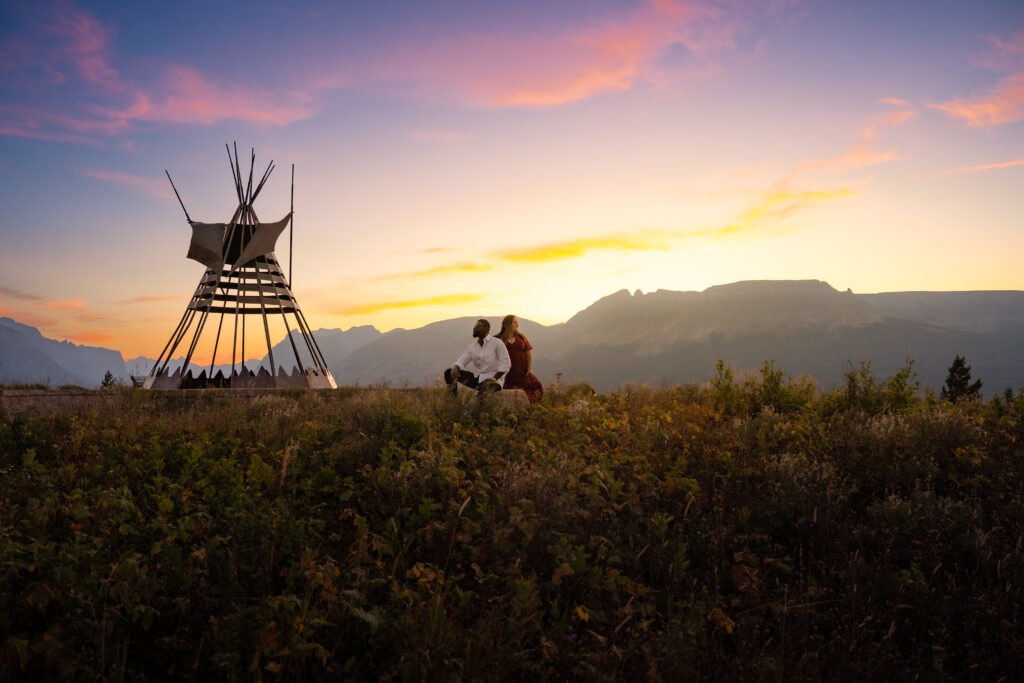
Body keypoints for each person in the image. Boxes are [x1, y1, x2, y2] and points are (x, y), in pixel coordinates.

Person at [444, 319, 511, 394]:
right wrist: (455, 367)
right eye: (474, 326)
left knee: (483, 392)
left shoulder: (497, 343)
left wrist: (494, 378)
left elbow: (506, 363)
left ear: (486, 329)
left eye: (478, 326)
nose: (474, 328)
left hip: (494, 382)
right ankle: (453, 401)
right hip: (478, 379)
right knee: (449, 373)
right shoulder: (473, 347)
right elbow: (462, 360)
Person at [496, 314, 543, 403]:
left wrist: (529, 369)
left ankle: (528, 410)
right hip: (506, 373)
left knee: (536, 389)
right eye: (515, 323)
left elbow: (528, 354)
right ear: (508, 324)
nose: (517, 325)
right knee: (510, 395)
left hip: (522, 371)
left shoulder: (521, 337)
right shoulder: (497, 339)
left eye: (517, 323)